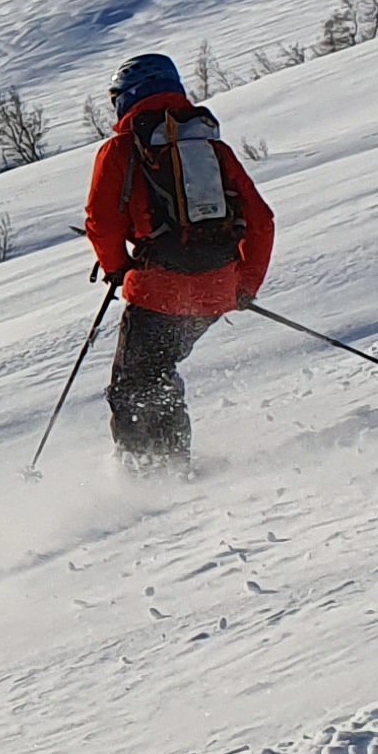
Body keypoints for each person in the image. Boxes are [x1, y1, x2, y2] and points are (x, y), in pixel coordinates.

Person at [79, 52, 273, 472]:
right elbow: (260, 220)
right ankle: (171, 462)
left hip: (157, 291)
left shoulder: (121, 149)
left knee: (133, 386)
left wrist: (116, 269)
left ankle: (147, 476)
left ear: (129, 97)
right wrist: (244, 286)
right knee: (158, 370)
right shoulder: (211, 146)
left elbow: (101, 220)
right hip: (215, 292)